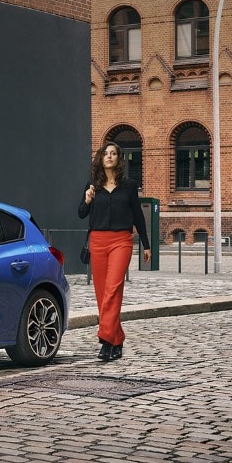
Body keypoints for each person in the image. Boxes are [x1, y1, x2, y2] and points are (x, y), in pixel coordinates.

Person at [77, 142, 152, 362]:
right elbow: (81, 213)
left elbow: (138, 215)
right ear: (101, 159)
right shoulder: (93, 185)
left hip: (121, 241)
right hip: (98, 241)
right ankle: (117, 339)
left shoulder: (129, 186)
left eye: (113, 154)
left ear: (119, 159)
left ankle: (106, 340)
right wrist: (87, 200)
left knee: (113, 288)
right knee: (103, 294)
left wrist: (146, 244)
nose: (109, 157)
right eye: (106, 154)